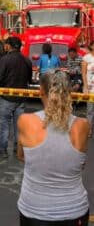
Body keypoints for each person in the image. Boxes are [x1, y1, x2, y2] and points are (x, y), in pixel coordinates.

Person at [17, 69, 89, 226]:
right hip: (75, 210)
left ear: (40, 91)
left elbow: (21, 156)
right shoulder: (83, 125)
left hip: (35, 211)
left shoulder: (25, 121)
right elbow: (80, 165)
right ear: (69, 92)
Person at [0, 36, 32, 158]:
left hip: (7, 98)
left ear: (9, 46)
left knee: (5, 124)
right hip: (21, 98)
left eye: (6, 44)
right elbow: (29, 79)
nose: (5, 46)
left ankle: (2, 149)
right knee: (18, 125)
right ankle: (17, 149)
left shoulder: (5, 60)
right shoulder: (26, 60)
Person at [82, 40, 94, 138]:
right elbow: (83, 73)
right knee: (90, 111)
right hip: (90, 88)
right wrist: (85, 86)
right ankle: (89, 130)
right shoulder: (86, 58)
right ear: (91, 46)